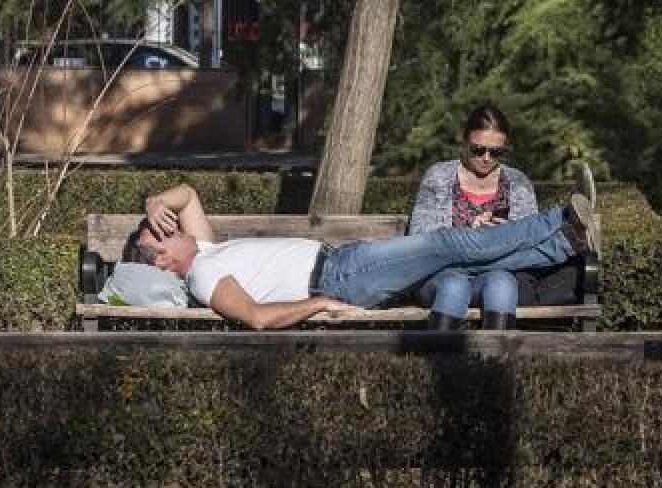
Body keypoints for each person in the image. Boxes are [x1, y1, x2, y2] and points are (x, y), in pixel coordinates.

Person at [121, 182, 600, 331]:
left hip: (343, 261)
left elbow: (186, 195)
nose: (174, 225)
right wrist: (319, 304)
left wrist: (153, 204)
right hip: (340, 278)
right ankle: (559, 222)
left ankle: (562, 244)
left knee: (461, 260)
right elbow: (255, 318)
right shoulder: (203, 274)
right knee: (449, 244)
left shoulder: (207, 249)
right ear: (161, 257)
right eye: (162, 230)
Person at [408, 103, 596, 330]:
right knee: (454, 285)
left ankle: (494, 362)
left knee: (503, 283)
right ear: (464, 142)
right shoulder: (438, 177)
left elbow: (529, 251)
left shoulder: (517, 183)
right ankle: (439, 361)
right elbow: (420, 240)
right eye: (478, 150)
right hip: (442, 272)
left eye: (496, 152)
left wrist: (507, 230)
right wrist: (470, 231)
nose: (486, 158)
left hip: (494, 270)